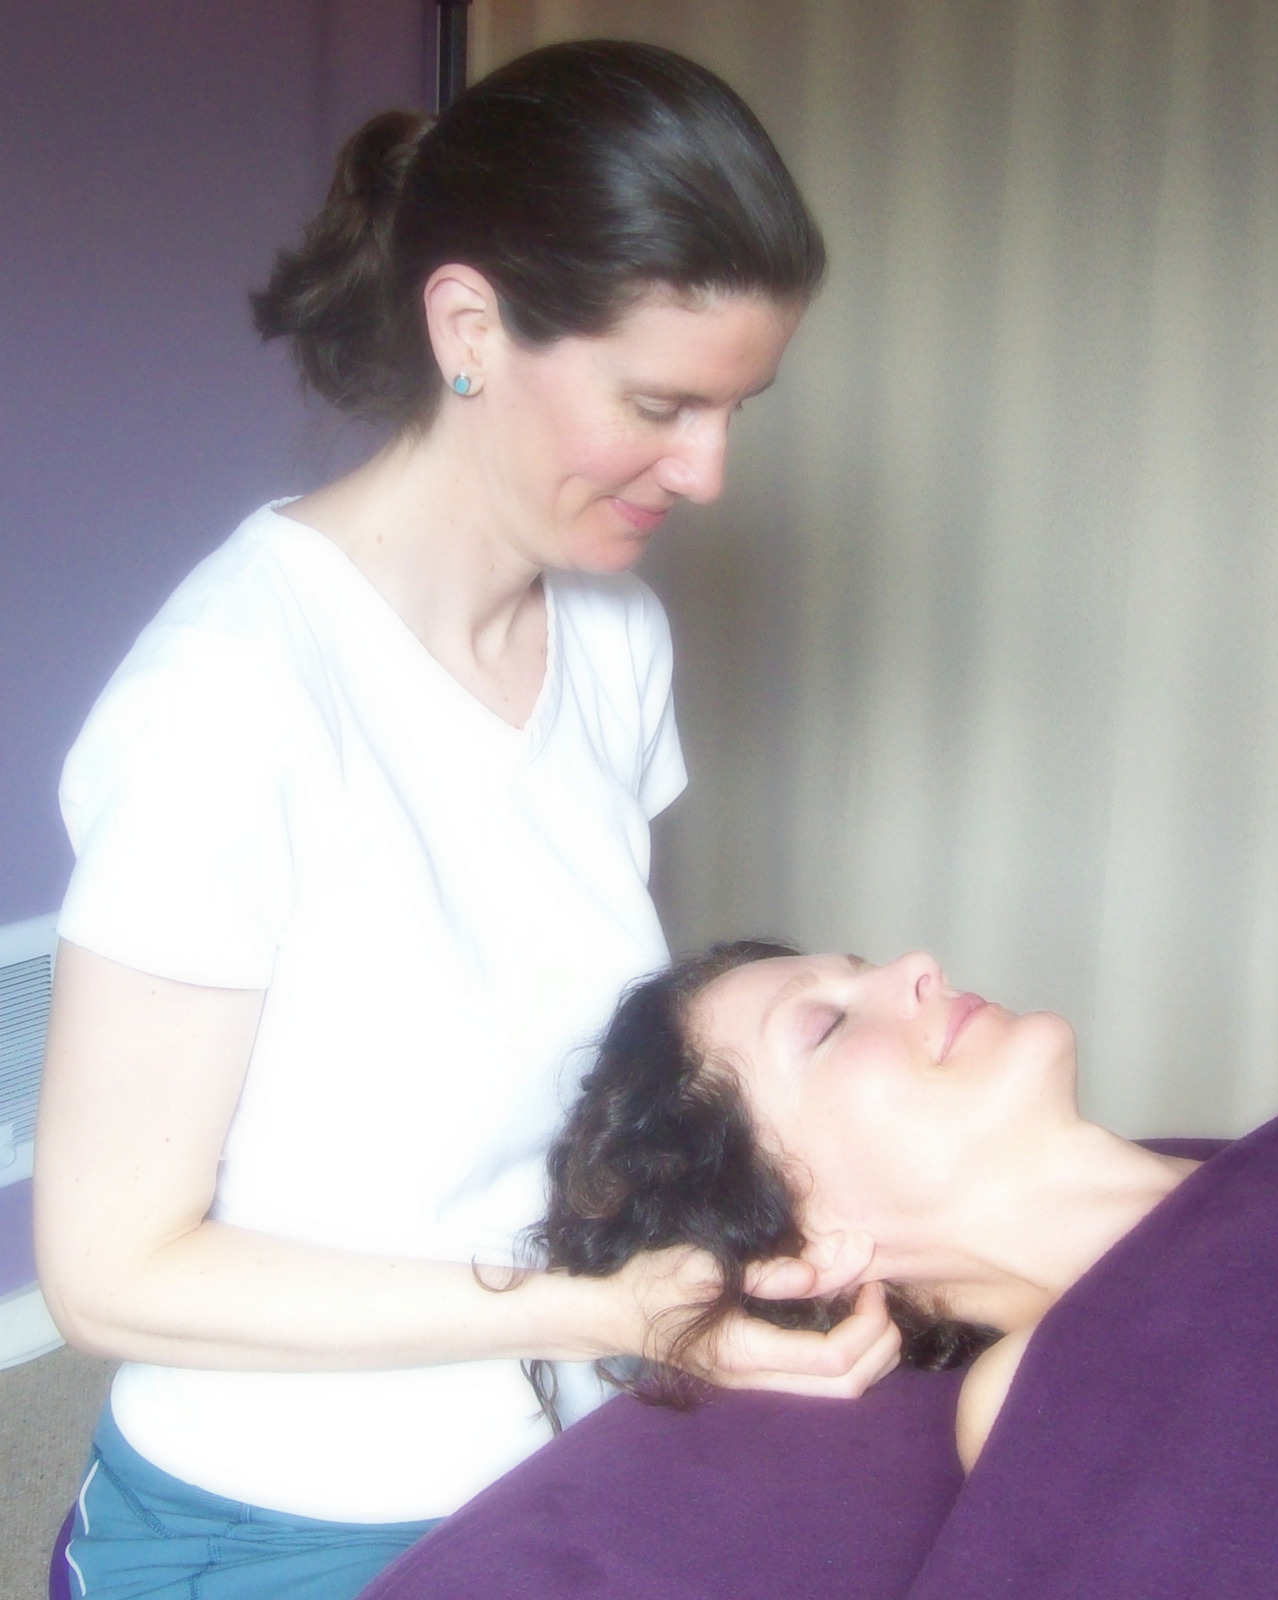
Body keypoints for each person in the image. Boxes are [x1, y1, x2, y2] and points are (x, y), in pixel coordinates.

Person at [34, 43, 901, 1600]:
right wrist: (581, 1315)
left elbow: (578, 1068)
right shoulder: (233, 702)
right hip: (280, 1511)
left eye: (735, 408)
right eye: (660, 404)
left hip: (555, 1446)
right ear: (469, 328)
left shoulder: (613, 641)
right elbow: (109, 1276)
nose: (708, 472)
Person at [357, 937, 1278, 1600]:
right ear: (797, 1250)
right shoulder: (1050, 1391)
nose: (918, 963)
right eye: (823, 1025)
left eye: (863, 968)